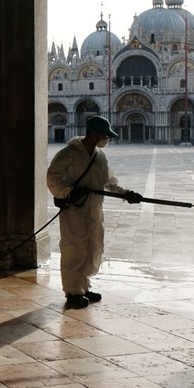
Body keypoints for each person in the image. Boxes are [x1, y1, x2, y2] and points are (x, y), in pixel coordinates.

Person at [46, 116, 142, 309]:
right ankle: (73, 292)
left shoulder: (100, 156)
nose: (107, 140)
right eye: (105, 135)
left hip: (95, 209)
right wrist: (69, 192)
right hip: (74, 210)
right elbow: (52, 177)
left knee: (93, 247)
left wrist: (127, 194)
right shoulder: (69, 153)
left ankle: (84, 286)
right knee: (74, 248)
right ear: (96, 134)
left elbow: (110, 182)